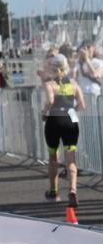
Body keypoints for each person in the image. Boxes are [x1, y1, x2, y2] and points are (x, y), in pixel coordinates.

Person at [41, 54, 85, 208]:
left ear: (53, 68)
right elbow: (82, 105)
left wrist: (44, 112)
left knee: (53, 156)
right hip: (70, 121)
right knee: (70, 158)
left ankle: (54, 191)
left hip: (54, 120)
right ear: (66, 67)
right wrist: (72, 111)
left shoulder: (50, 84)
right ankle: (73, 189)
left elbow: (51, 101)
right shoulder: (73, 84)